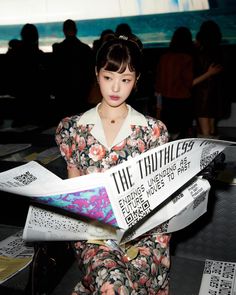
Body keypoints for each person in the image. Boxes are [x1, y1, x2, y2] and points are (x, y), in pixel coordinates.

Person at [55, 35, 170, 294]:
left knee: (131, 278)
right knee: (112, 285)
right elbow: (75, 191)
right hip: (94, 232)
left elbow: (158, 192)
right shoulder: (73, 128)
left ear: (137, 79)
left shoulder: (153, 131)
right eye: (109, 77)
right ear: (97, 73)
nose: (116, 88)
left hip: (143, 233)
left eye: (126, 79)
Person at [155, 26, 223, 140]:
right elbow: (189, 83)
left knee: (169, 135)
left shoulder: (164, 57)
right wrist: (209, 73)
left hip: (166, 102)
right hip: (182, 102)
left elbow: (158, 85)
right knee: (184, 137)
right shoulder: (187, 58)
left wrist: (158, 107)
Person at [52, 19, 94, 119]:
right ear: (76, 30)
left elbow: (55, 74)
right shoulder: (85, 49)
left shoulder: (58, 49)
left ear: (63, 31)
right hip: (81, 94)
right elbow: (90, 73)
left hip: (63, 95)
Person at [193, 20, 225, 137]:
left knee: (205, 133)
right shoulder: (219, 53)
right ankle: (216, 154)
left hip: (202, 96)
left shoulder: (198, 54)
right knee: (211, 130)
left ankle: (207, 155)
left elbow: (191, 80)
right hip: (216, 95)